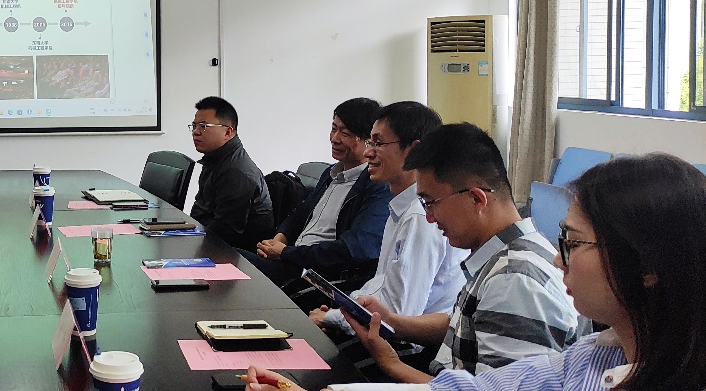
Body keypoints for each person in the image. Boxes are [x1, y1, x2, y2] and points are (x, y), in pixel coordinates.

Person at [244, 153, 706, 391]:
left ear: (646, 264)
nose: (558, 259)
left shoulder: (520, 277)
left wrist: (392, 364)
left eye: (573, 242)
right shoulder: (591, 357)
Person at [310, 102, 467, 340]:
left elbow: (398, 315)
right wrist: (342, 311)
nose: (367, 153)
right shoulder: (400, 208)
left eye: (378, 143)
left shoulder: (420, 217)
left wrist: (334, 318)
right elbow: (382, 284)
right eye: (369, 143)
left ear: (414, 151)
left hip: (410, 349)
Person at [241, 98, 393, 288]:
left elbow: (353, 248)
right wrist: (279, 239)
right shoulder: (331, 174)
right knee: (227, 257)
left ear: (369, 140)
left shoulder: (377, 186)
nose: (335, 138)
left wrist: (286, 253)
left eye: (345, 133)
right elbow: (301, 213)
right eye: (333, 129)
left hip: (315, 276)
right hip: (293, 260)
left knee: (233, 261)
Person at [187, 96, 274, 252]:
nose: (195, 132)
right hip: (213, 242)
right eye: (194, 126)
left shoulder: (236, 172)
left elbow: (225, 232)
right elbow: (200, 210)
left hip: (240, 254)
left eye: (203, 126)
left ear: (228, 132)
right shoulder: (215, 159)